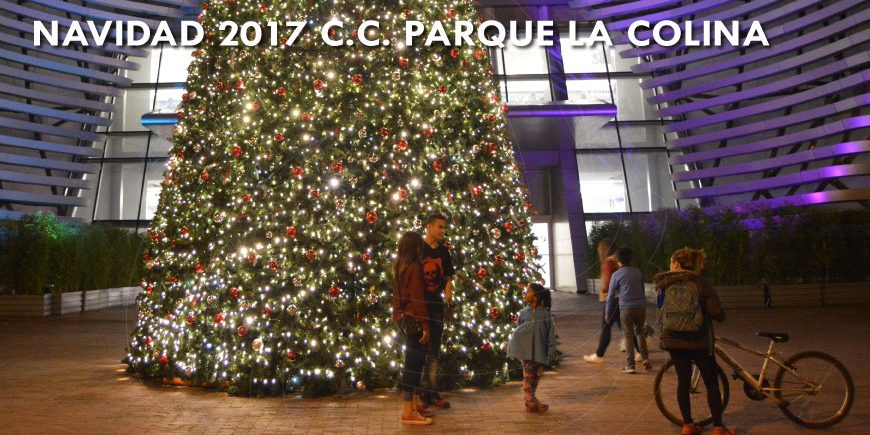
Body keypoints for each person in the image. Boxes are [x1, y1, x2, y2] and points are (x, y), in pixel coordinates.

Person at [654, 248, 733, 435]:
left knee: (683, 381)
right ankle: (718, 427)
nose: (670, 265)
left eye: (671, 261)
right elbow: (716, 312)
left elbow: (661, 310)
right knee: (711, 383)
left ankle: (688, 425)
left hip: (673, 339)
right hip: (700, 340)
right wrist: (721, 316)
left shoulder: (665, 284)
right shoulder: (701, 283)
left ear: (677, 264)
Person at [391, 231, 432, 425]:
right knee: (413, 366)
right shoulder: (415, 268)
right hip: (416, 319)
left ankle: (413, 408)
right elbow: (418, 298)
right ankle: (408, 411)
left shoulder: (399, 266)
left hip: (405, 318)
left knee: (412, 364)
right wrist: (425, 325)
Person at [419, 213, 455, 409]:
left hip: (436, 308)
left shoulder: (444, 252)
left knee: (434, 352)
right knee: (420, 352)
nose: (443, 230)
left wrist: (449, 301)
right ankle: (421, 394)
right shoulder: (418, 250)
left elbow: (448, 279)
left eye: (444, 227)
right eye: (440, 227)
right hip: (420, 309)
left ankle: (431, 393)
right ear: (429, 226)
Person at [507, 283, 557, 413]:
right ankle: (530, 401)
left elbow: (550, 333)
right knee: (528, 376)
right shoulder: (523, 313)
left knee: (537, 376)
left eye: (527, 292)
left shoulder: (546, 314)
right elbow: (519, 328)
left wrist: (551, 350)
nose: (525, 294)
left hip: (540, 352)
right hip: (526, 352)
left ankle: (532, 399)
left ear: (535, 297)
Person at [605, 247, 652, 373]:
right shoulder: (638, 272)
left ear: (618, 260)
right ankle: (645, 359)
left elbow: (610, 296)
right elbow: (641, 289)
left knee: (628, 336)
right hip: (641, 307)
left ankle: (630, 365)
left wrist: (608, 313)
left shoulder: (617, 274)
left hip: (626, 307)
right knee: (640, 332)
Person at [584, 239, 624, 363]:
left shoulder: (608, 263)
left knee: (606, 327)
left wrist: (604, 289)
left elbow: (607, 284)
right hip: (620, 299)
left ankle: (599, 355)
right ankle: (640, 353)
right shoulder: (618, 262)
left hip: (611, 300)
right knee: (624, 327)